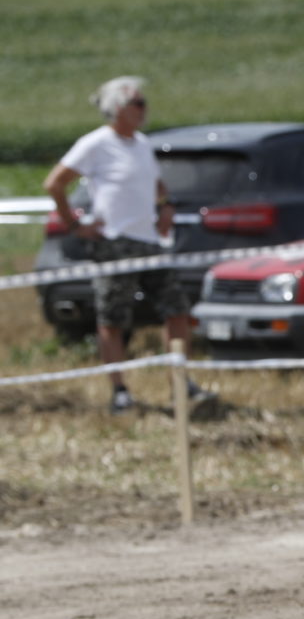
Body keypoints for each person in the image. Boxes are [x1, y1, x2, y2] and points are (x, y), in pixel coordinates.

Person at [44, 76, 211, 415]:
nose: (144, 109)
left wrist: (165, 206)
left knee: (176, 310)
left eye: (143, 102)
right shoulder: (95, 144)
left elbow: (157, 184)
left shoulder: (142, 144)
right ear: (117, 109)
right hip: (113, 243)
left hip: (149, 242)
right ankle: (119, 391)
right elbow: (55, 183)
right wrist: (74, 225)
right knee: (113, 319)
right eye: (137, 103)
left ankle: (180, 382)